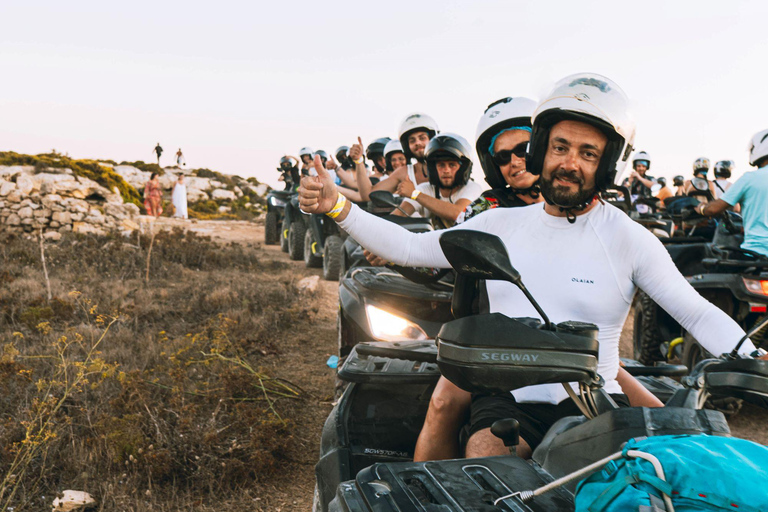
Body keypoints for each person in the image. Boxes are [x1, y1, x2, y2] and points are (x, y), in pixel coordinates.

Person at [299, 72, 763, 460]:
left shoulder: (628, 238)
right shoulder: (500, 224)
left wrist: (754, 357)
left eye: (588, 153)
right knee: (484, 458)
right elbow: (407, 247)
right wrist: (337, 206)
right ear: (542, 151)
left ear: (605, 167)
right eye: (560, 147)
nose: (569, 163)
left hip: (599, 406)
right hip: (510, 399)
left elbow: (697, 312)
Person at [412, 96, 545, 461]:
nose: (515, 161)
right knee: (441, 405)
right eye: (503, 156)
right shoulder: (486, 208)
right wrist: (396, 255)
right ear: (492, 163)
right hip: (491, 340)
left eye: (525, 149)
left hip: (569, 342)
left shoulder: (580, 207)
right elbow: (437, 255)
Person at [697, 129, 768, 258]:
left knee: (710, 267)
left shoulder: (750, 179)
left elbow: (713, 209)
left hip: (755, 254)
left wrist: (701, 208)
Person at [393, 133, 483, 229]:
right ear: (433, 169)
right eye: (441, 165)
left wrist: (415, 194)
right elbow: (396, 217)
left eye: (452, 165)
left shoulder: (473, 188)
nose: (446, 170)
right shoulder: (425, 189)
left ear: (463, 169)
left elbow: (458, 213)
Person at [368, 113, 439, 196]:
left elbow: (456, 208)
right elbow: (368, 194)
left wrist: (414, 194)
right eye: (412, 141)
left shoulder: (448, 167)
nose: (417, 143)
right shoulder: (404, 172)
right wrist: (358, 161)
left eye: (422, 138)